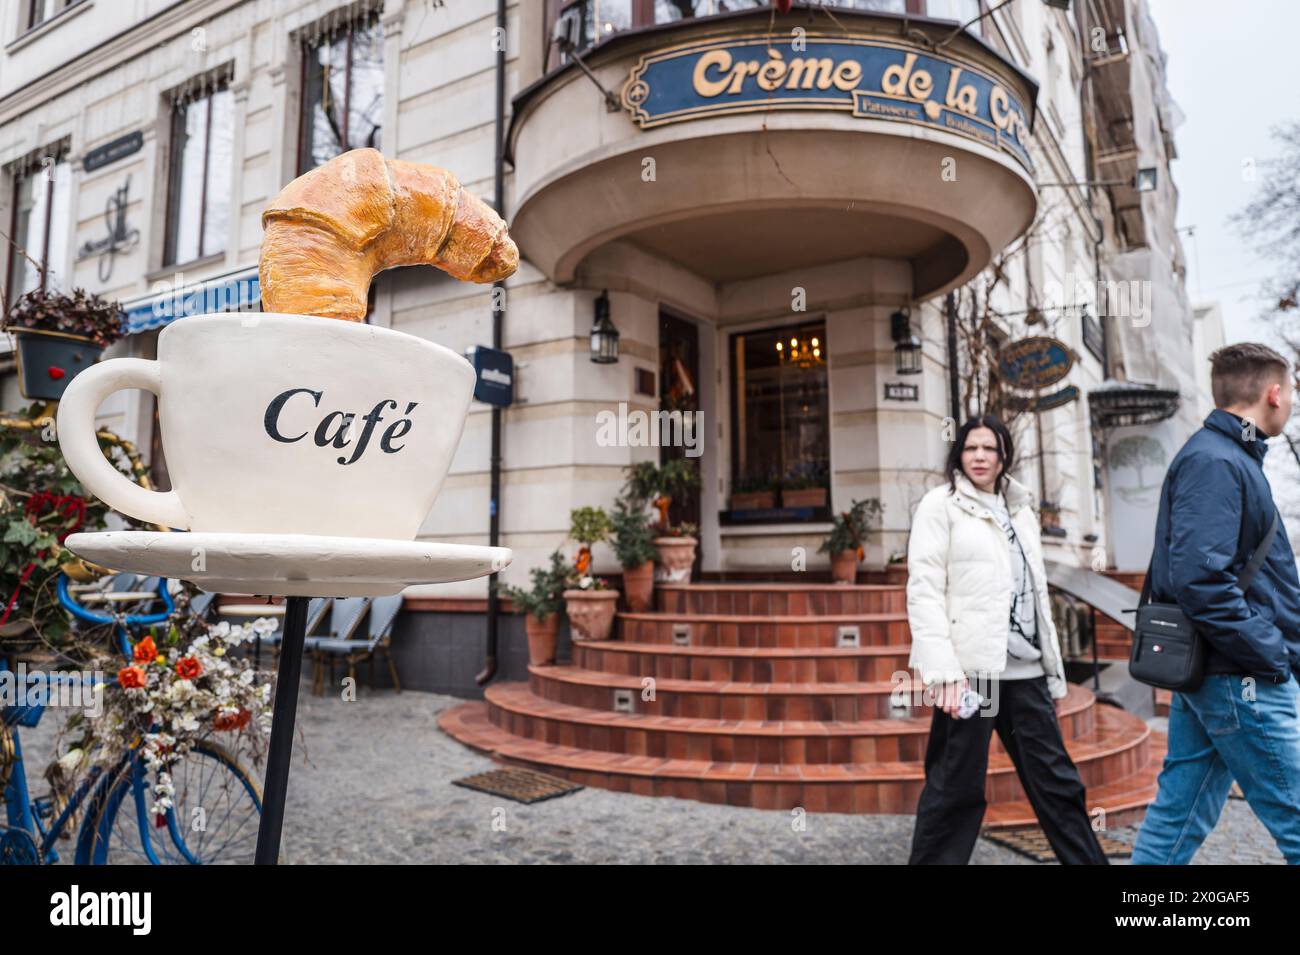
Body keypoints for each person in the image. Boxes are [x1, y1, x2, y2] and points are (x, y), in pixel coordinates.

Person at [906, 414, 1108, 865]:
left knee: (1057, 782)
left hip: (1026, 672)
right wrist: (944, 674)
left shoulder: (1020, 511)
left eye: (989, 448)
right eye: (971, 447)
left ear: (1003, 457)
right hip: (972, 675)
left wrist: (1052, 680)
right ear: (958, 453)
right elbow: (924, 592)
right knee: (954, 791)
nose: (980, 456)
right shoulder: (940, 506)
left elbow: (1035, 598)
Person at [1131, 342, 1300, 865]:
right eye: (1292, 391)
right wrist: (1271, 653)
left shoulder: (1228, 455)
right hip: (1238, 675)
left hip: (1219, 671)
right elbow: (1202, 581)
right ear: (1273, 393)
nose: (1292, 402)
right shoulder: (1216, 460)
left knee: (1180, 816)